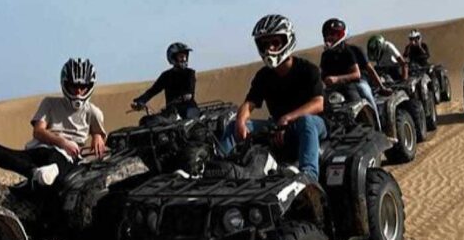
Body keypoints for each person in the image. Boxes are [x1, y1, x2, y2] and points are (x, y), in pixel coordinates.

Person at [220, 14, 326, 183]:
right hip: (277, 125)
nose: (269, 48)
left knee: (307, 121)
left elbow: (318, 103)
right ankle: (219, 168)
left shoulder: (308, 70)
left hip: (312, 125)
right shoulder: (264, 75)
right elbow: (249, 103)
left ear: (287, 41)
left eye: (275, 42)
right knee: (233, 126)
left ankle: (309, 175)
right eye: (265, 44)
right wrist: (240, 120)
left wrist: (288, 117)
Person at [0, 58, 106, 189]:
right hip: (38, 151)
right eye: (73, 86)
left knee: (60, 167)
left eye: (83, 87)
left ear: (90, 86)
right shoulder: (49, 103)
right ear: (65, 83)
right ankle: (36, 173)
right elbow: (38, 131)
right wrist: (62, 142)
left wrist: (97, 136)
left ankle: (42, 175)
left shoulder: (93, 111)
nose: (78, 92)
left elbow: (98, 132)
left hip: (66, 157)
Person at [320, 18, 382, 129]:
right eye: (327, 34)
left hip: (354, 84)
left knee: (366, 93)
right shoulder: (325, 55)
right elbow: (321, 75)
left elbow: (357, 74)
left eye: (333, 34)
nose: (330, 37)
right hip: (334, 89)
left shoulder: (349, 51)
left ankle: (379, 127)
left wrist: (336, 79)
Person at [131, 42, 198, 119]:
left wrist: (181, 98)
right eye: (181, 57)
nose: (184, 59)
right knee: (149, 120)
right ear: (173, 58)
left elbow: (189, 93)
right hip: (172, 111)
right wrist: (140, 101)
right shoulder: (166, 76)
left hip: (189, 109)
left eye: (185, 56)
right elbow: (153, 90)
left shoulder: (190, 73)